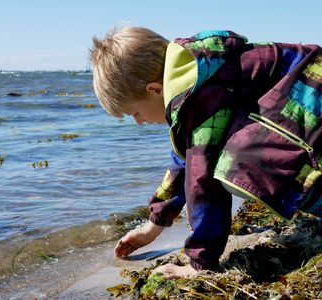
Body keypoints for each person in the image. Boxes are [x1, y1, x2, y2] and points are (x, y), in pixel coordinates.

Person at [89, 26, 322, 279]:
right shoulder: (199, 72)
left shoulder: (200, 96)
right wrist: (153, 226)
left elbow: (202, 182)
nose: (139, 122)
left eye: (135, 113)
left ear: (154, 90)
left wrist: (199, 262)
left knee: (239, 165)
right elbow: (184, 160)